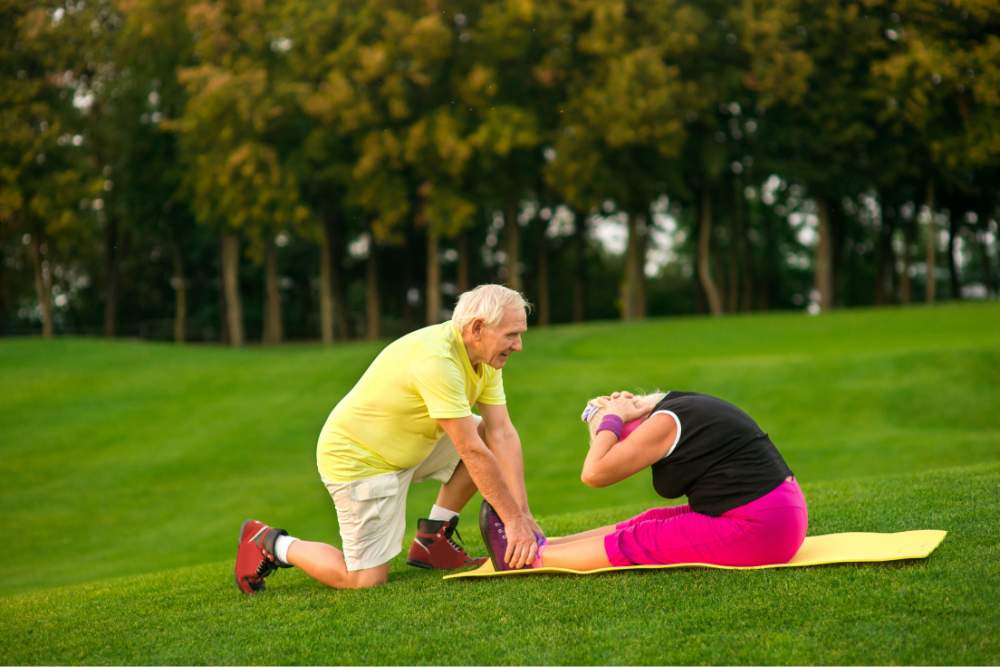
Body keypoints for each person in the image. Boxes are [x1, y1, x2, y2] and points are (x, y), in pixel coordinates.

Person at [235, 284, 543, 592]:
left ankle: (432, 540)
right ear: (478, 328)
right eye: (511, 335)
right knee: (363, 580)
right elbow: (471, 451)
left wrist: (522, 512)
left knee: (485, 434)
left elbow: (501, 433)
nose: (518, 346)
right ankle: (269, 542)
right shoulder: (437, 360)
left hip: (409, 446)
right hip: (359, 460)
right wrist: (512, 521)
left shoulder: (483, 357)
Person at [480, 389, 807, 571]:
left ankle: (529, 560)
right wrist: (612, 416)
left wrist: (612, 417)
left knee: (642, 539)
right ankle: (549, 546)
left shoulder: (664, 424)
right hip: (773, 514)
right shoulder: (676, 407)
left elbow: (594, 473)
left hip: (762, 528)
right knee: (647, 521)